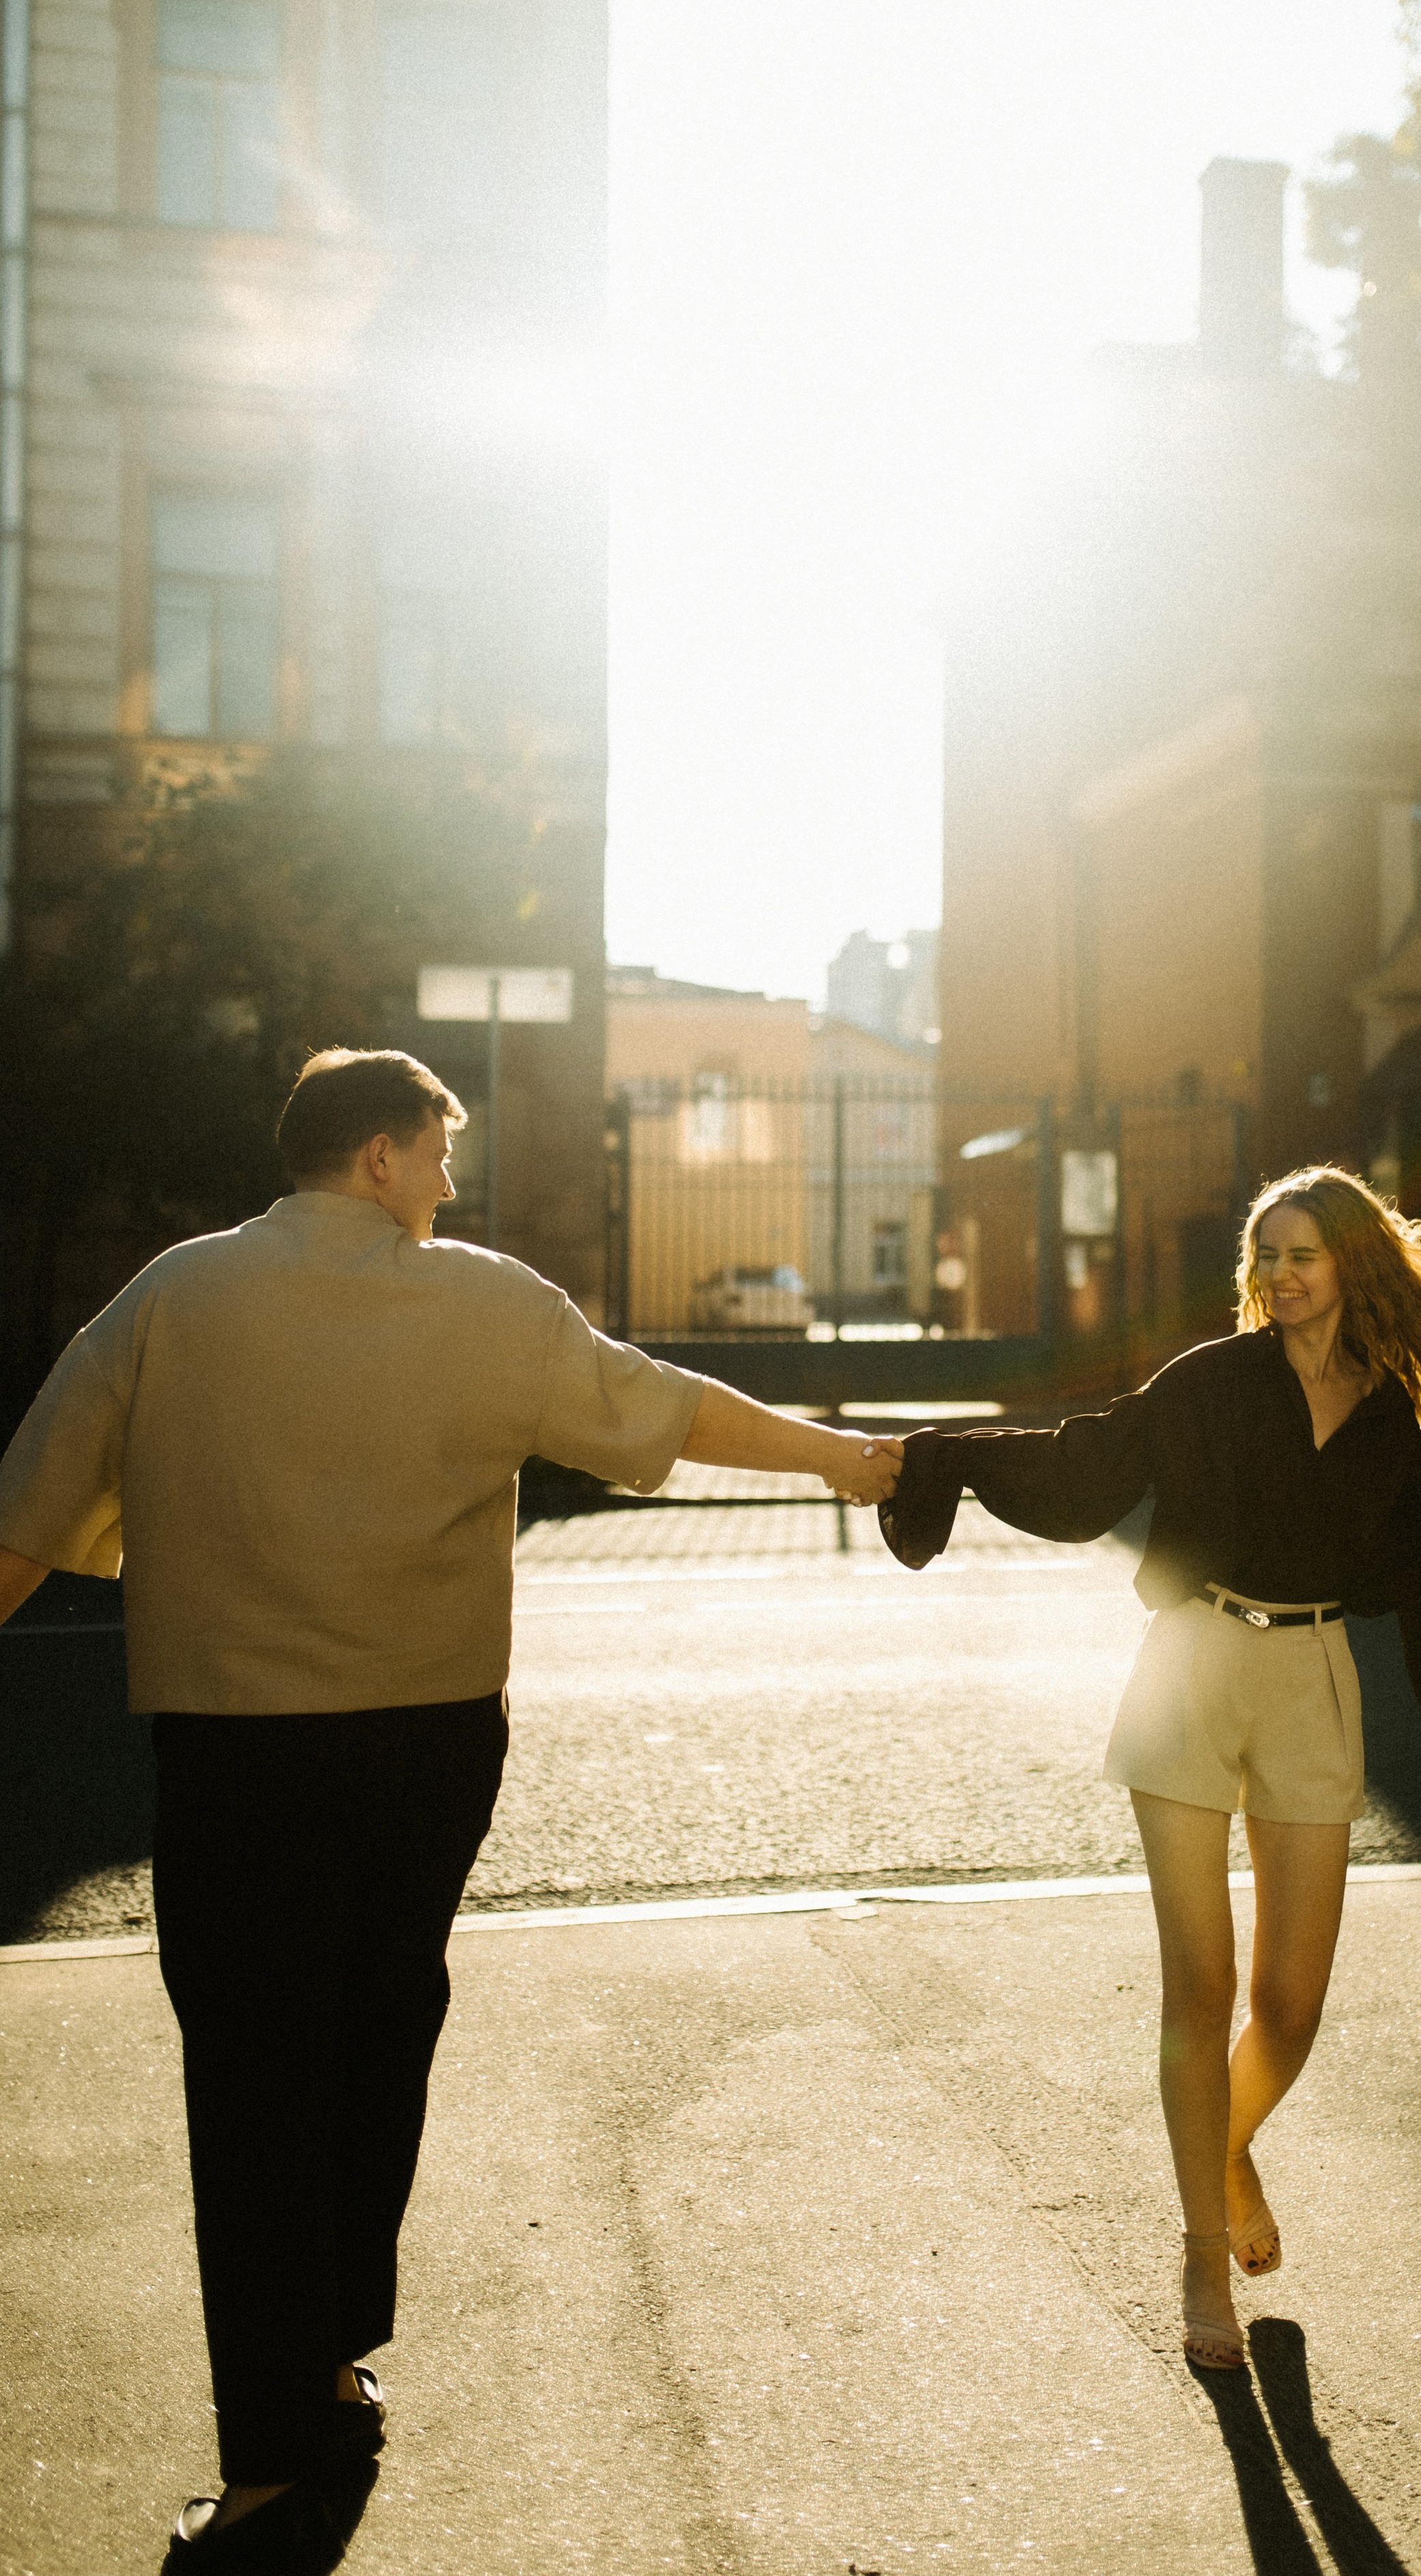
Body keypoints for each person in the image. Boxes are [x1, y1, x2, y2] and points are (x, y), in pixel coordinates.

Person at [0, 1048, 903, 2566]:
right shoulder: (484, 1303)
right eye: (435, 1152)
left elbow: (25, 1519)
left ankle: (274, 2453)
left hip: (232, 1756)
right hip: (425, 1748)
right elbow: (667, 1409)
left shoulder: (168, 1296)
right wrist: (846, 1462)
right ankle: (333, 2351)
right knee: (381, 2032)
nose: (447, 1180)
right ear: (376, 1156)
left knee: (252, 2081)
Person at [879, 1165, 1421, 2373]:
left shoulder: (1384, 1412)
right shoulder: (1212, 1381)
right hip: (1191, 1671)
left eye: (1303, 1253)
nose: (1280, 1274)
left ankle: (1219, 2147)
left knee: (1293, 2005)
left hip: (1313, 1679)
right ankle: (1202, 2255)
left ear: (1351, 1262)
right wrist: (944, 1459)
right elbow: (1091, 1459)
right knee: (1200, 1991)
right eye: (1267, 1255)